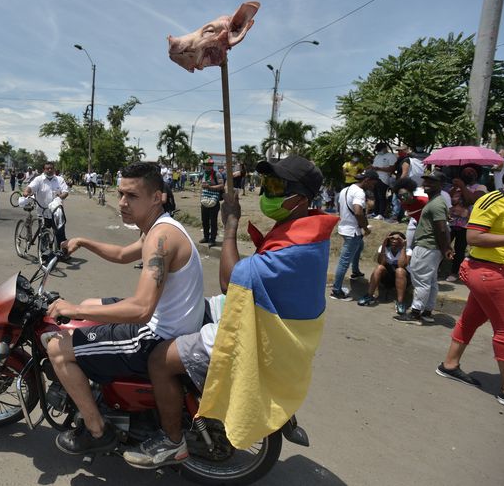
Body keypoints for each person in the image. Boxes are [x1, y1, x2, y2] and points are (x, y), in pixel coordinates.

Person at [123, 156, 338, 468]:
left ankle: (171, 440)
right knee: (196, 309)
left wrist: (230, 226)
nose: (268, 191)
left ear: (301, 199)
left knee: (158, 359)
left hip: (262, 333)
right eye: (267, 183)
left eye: (277, 186)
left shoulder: (298, 247)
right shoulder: (302, 229)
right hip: (261, 316)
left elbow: (229, 280)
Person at [46, 162, 204, 455]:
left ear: (157, 197)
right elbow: (121, 254)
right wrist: (82, 241)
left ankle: (97, 430)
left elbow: (142, 308)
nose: (122, 202)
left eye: (131, 196)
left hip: (157, 335)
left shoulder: (161, 238)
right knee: (93, 305)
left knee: (57, 349)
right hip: (166, 323)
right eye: (120, 194)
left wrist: (76, 309)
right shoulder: (158, 227)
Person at [435, 161, 504, 411]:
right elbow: (473, 237)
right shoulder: (491, 200)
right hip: (487, 270)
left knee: (471, 319)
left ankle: (449, 365)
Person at [395, 170, 453, 325]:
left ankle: (415, 314)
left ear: (441, 185)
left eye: (431, 181)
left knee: (421, 280)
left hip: (427, 246)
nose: (426, 183)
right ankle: (427, 311)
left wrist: (446, 248)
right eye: (425, 180)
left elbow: (442, 228)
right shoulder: (433, 201)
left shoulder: (436, 203)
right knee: (430, 280)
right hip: (431, 247)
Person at [330, 170, 379, 300]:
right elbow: (358, 212)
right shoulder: (359, 193)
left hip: (344, 227)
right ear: (367, 180)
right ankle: (336, 290)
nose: (373, 187)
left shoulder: (345, 190)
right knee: (344, 261)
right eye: (373, 184)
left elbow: (340, 208)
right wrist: (365, 228)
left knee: (360, 245)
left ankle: (356, 271)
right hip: (352, 231)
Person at [446, 166, 487, 281]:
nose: (468, 174)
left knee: (459, 249)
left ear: (476, 174)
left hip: (466, 223)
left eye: (471, 172)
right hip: (452, 221)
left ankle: (454, 272)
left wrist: (462, 186)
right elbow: (449, 199)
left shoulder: (481, 187)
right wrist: (455, 187)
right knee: (444, 245)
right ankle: (437, 267)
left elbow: (471, 200)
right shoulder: (457, 186)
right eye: (465, 172)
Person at [356, 231, 411, 315]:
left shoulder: (407, 250)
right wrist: (384, 245)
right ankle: (369, 296)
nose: (394, 241)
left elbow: (402, 265)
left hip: (402, 278)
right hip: (388, 277)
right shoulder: (384, 247)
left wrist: (403, 247)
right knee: (379, 268)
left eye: (397, 239)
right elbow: (381, 262)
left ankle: (400, 302)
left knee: (400, 270)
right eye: (392, 238)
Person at [23, 162, 69, 245]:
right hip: (42, 212)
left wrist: (60, 197)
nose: (50, 170)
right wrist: (26, 192)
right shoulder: (39, 179)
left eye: (51, 168)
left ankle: (62, 252)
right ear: (44, 170)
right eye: (47, 168)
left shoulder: (59, 180)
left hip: (57, 212)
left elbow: (65, 192)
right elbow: (30, 187)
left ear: (54, 169)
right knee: (43, 234)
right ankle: (43, 253)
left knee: (60, 233)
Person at [393, 177, 428, 250]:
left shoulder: (424, 201)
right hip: (416, 223)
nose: (402, 197)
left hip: (427, 225)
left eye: (405, 194)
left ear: (411, 193)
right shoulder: (404, 204)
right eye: (400, 196)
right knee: (408, 246)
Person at [199, 158, 224, 247]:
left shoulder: (217, 174)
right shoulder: (203, 174)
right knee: (204, 220)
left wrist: (210, 187)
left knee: (213, 221)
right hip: (204, 200)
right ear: (204, 166)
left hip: (214, 200)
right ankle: (206, 237)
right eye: (207, 165)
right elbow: (201, 186)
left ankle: (212, 239)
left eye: (210, 165)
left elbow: (221, 186)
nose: (209, 167)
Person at [370, 142, 397, 219]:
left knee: (381, 196)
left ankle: (381, 214)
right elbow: (374, 166)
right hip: (374, 178)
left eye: (380, 149)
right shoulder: (378, 156)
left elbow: (392, 168)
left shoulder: (391, 156)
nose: (379, 151)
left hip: (383, 179)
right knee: (376, 196)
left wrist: (378, 169)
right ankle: (376, 212)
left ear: (385, 148)